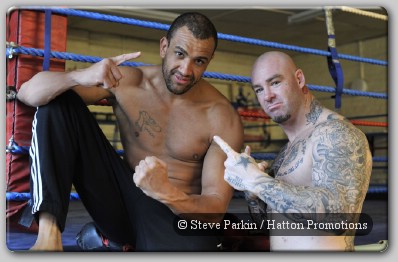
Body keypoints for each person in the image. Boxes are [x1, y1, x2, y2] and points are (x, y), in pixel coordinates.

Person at [17, 12, 244, 251]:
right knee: (58, 100)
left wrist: (166, 192)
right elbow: (28, 93)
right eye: (180, 54)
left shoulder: (221, 117)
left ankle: (113, 242)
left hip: (175, 216)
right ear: (164, 46)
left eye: (199, 61)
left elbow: (216, 209)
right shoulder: (127, 81)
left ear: (209, 61)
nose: (186, 70)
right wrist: (79, 76)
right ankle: (49, 237)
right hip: (122, 201)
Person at [213, 51, 372, 251]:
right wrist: (252, 193)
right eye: (259, 89)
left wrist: (257, 181)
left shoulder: (336, 133)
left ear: (299, 79)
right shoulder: (285, 154)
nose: (268, 95)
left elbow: (339, 217)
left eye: (275, 82)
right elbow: (268, 226)